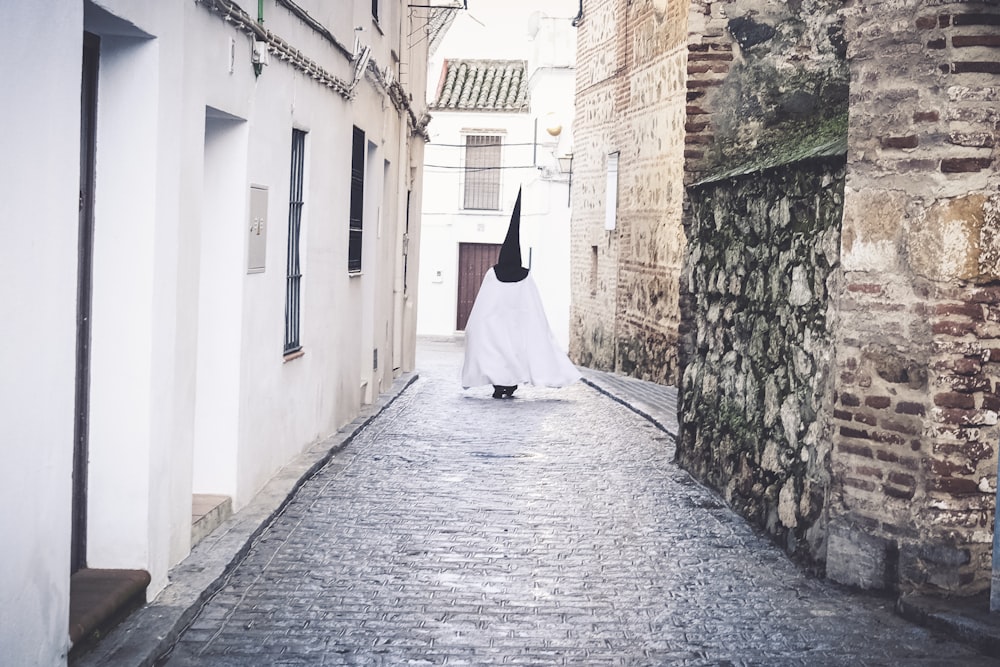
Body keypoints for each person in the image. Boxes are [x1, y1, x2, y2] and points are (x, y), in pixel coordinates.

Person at [461, 187, 581, 398]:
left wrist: (477, 326)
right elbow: (534, 308)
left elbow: (483, 306)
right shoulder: (525, 277)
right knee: (514, 353)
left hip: (496, 326)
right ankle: (509, 384)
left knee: (498, 353)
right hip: (516, 327)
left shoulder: (493, 274)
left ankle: (501, 384)